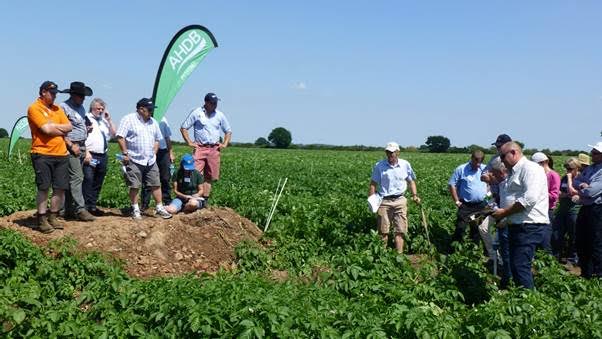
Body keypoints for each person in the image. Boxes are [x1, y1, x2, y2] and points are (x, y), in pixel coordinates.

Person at [492, 142, 549, 289]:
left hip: (529, 225)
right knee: (515, 265)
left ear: (513, 152)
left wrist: (504, 212)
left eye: (502, 156)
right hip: (517, 224)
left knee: (520, 266)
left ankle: (528, 304)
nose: (502, 159)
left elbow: (529, 199)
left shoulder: (530, 169)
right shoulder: (514, 172)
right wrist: (505, 219)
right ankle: (522, 298)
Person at [27, 81, 72, 233]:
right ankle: (41, 218)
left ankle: (53, 215)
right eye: (52, 93)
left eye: (55, 94)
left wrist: (54, 127)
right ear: (43, 92)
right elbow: (46, 130)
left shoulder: (58, 109)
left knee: (60, 188)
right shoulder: (34, 108)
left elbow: (69, 127)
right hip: (42, 153)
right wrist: (58, 128)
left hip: (61, 154)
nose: (54, 96)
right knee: (44, 187)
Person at [116, 98, 172, 220]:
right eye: (149, 109)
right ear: (141, 109)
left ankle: (159, 207)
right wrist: (125, 153)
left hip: (150, 160)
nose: (151, 112)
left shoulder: (153, 122)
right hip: (134, 159)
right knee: (135, 185)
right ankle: (135, 209)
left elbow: (157, 139)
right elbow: (120, 137)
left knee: (156, 184)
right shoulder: (128, 119)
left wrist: (155, 152)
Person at [368, 142, 421, 253]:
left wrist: (415, 195)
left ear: (398, 152)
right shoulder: (379, 166)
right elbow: (373, 184)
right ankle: (381, 256)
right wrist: (371, 201)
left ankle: (399, 255)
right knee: (383, 231)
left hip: (400, 200)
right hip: (384, 201)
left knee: (400, 230)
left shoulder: (405, 164)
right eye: (388, 152)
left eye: (392, 152)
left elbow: (411, 181)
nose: (390, 154)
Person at [180, 92, 232, 202]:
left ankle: (205, 200)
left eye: (216, 103)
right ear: (206, 102)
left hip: (214, 148)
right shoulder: (196, 113)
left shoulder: (219, 115)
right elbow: (184, 127)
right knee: (194, 173)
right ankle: (190, 198)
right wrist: (189, 142)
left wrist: (225, 143)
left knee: (210, 176)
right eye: (213, 103)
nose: (215, 105)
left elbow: (228, 131)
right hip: (200, 147)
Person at [449, 150, 496, 263]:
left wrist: (489, 197)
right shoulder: (461, 169)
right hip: (465, 205)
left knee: (477, 229)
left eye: (480, 162)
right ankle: (454, 251)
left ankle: (474, 250)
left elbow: (493, 182)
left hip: (481, 205)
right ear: (472, 158)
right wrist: (456, 201)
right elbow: (452, 184)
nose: (478, 164)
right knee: (460, 227)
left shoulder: (485, 169)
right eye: (476, 161)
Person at [60, 81, 96, 221]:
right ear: (73, 95)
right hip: (70, 147)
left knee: (71, 179)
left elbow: (78, 126)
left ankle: (67, 209)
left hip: (81, 145)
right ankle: (80, 209)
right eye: (81, 96)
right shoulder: (63, 107)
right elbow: (60, 130)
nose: (83, 98)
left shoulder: (81, 108)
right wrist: (70, 144)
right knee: (77, 177)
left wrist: (86, 131)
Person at [573, 142, 602, 278]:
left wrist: (583, 187)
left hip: (597, 209)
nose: (592, 155)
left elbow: (591, 192)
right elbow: (575, 181)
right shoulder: (590, 168)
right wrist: (582, 185)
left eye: (595, 153)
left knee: (596, 242)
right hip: (586, 208)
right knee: (581, 240)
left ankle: (597, 275)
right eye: (593, 152)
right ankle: (586, 273)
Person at [83, 98, 116, 215]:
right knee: (88, 179)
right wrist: (86, 152)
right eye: (98, 108)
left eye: (102, 109)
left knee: (98, 180)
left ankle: (92, 206)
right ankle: (85, 206)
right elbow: (82, 137)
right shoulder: (86, 118)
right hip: (90, 154)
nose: (101, 110)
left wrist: (109, 120)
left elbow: (114, 134)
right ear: (92, 108)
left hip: (102, 155)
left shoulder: (104, 121)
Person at [552, 157, 582, 264]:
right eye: (566, 168)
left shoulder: (580, 179)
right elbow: (559, 193)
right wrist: (566, 194)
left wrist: (570, 180)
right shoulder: (564, 178)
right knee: (556, 233)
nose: (567, 170)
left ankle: (573, 259)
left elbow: (573, 192)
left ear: (577, 168)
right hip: (562, 209)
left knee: (573, 235)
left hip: (574, 210)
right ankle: (556, 257)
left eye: (570, 168)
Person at [141, 115, 175, 211]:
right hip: (149, 151)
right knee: (147, 179)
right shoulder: (142, 119)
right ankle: (144, 204)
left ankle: (167, 201)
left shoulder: (163, 119)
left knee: (165, 178)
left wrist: (170, 153)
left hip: (163, 152)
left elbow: (167, 137)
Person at [489, 156, 513, 288]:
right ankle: (506, 278)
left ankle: (509, 282)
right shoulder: (502, 184)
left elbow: (514, 206)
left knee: (509, 254)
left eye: (494, 172)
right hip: (502, 222)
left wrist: (503, 216)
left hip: (509, 224)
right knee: (504, 254)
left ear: (502, 172)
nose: (492, 174)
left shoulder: (510, 184)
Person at [531, 152, 560, 253]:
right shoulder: (538, 175)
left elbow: (554, 196)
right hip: (537, 209)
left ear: (545, 162)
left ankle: (549, 260)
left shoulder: (553, 175)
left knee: (545, 239)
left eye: (538, 164)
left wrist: (540, 192)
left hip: (548, 210)